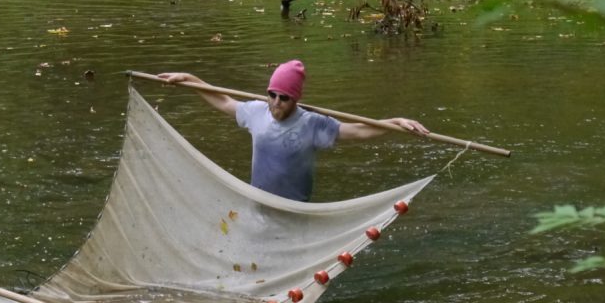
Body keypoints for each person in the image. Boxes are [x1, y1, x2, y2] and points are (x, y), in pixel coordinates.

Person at [158, 60, 430, 202]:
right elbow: (223, 100)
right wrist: (189, 79)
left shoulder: (313, 124)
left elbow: (358, 132)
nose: (276, 102)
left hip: (295, 210)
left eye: (284, 97)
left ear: (295, 99)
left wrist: (394, 122)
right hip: (259, 204)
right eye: (272, 94)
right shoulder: (256, 112)